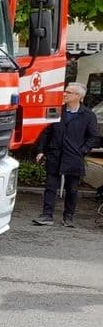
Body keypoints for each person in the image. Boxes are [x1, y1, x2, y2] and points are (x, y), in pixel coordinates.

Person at [33, 82, 99, 227]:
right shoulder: (56, 110)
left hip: (74, 157)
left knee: (72, 189)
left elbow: (93, 137)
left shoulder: (88, 115)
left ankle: (68, 217)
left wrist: (82, 151)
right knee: (50, 187)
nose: (65, 94)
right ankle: (47, 215)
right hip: (55, 154)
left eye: (69, 92)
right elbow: (46, 132)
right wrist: (41, 150)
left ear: (79, 96)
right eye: (65, 91)